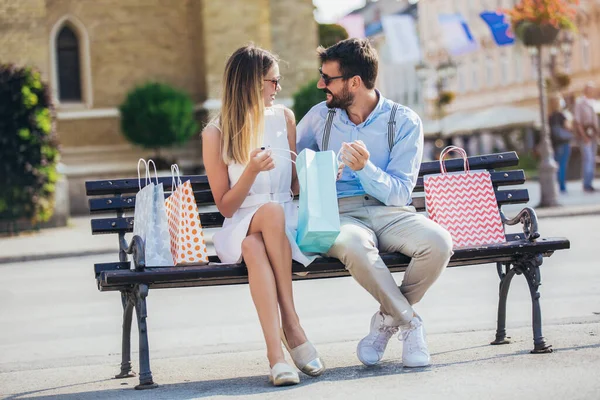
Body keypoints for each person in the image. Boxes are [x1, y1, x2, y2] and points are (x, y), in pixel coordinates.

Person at [296, 38, 453, 368]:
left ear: (354, 82)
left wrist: (364, 169)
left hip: (392, 213)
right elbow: (291, 168)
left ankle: (386, 322)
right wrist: (316, 171)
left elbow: (399, 193)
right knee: (353, 246)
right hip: (342, 213)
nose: (320, 84)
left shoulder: (404, 121)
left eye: (327, 78)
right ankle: (409, 322)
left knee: (438, 242)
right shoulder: (318, 118)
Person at [202, 44, 324, 386]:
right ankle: (292, 323)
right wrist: (251, 171)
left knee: (257, 248)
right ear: (254, 83)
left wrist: (325, 173)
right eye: (274, 81)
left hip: (284, 223)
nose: (278, 88)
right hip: (241, 222)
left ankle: (276, 357)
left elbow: (295, 184)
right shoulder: (216, 132)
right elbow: (225, 206)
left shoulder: (284, 118)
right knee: (267, 215)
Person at [573, 82, 598, 193]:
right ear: (586, 90)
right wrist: (583, 136)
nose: (592, 92)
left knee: (592, 160)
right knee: (587, 159)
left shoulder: (594, 103)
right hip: (585, 136)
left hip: (593, 135)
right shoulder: (580, 103)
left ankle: (590, 183)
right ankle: (586, 184)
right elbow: (577, 122)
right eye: (590, 89)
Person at [549, 94, 574, 193]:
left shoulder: (550, 116)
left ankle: (555, 185)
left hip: (555, 144)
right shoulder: (561, 115)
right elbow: (568, 127)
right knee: (562, 165)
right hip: (563, 143)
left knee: (557, 165)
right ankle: (562, 187)